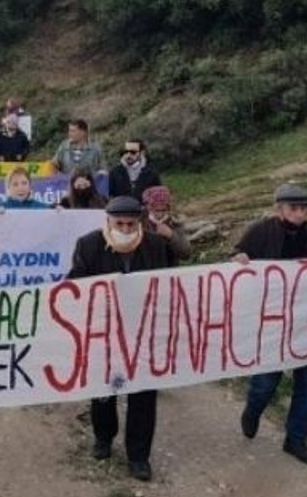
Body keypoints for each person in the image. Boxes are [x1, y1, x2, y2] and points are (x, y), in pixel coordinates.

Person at [69, 196, 178, 482]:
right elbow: (75, 283)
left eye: (132, 224)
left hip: (144, 333)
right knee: (104, 391)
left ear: (140, 222)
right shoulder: (88, 245)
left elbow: (170, 284)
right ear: (108, 221)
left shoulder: (155, 245)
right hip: (104, 332)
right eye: (120, 224)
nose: (126, 229)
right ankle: (103, 438)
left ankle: (139, 456)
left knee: (143, 395)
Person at [231, 183, 307, 466]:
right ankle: (252, 411)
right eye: (294, 207)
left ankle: (296, 440)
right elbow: (237, 258)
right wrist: (239, 259)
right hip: (272, 324)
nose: (301, 212)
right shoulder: (260, 231)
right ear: (278, 208)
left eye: (304, 207)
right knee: (266, 382)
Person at [142, 186, 192, 263]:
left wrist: (171, 235)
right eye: (156, 210)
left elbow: (186, 254)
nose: (160, 214)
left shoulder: (175, 223)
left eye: (163, 210)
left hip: (169, 270)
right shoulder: (141, 223)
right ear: (148, 207)